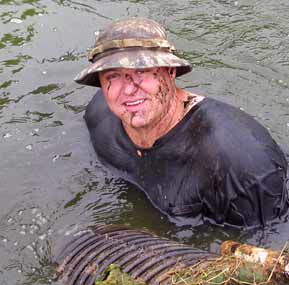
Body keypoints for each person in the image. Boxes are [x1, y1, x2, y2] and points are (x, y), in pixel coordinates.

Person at [75, 18, 288, 228]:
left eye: (142, 72)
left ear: (170, 71)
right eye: (113, 76)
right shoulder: (99, 116)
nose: (129, 90)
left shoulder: (237, 162)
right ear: (100, 84)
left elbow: (274, 246)